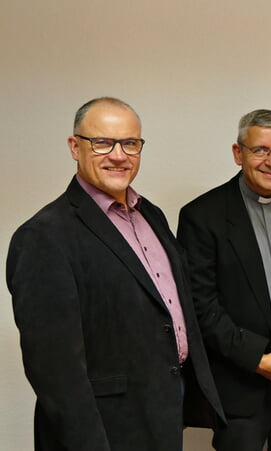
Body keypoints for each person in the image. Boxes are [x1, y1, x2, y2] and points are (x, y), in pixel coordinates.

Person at [6, 97, 224, 450]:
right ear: (75, 147)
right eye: (102, 142)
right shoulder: (44, 236)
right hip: (104, 429)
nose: (119, 155)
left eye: (130, 143)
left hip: (161, 410)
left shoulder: (149, 214)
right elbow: (56, 374)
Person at [177, 109, 271, 451]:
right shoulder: (202, 216)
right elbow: (200, 305)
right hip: (240, 379)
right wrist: (257, 359)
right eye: (260, 150)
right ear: (238, 153)